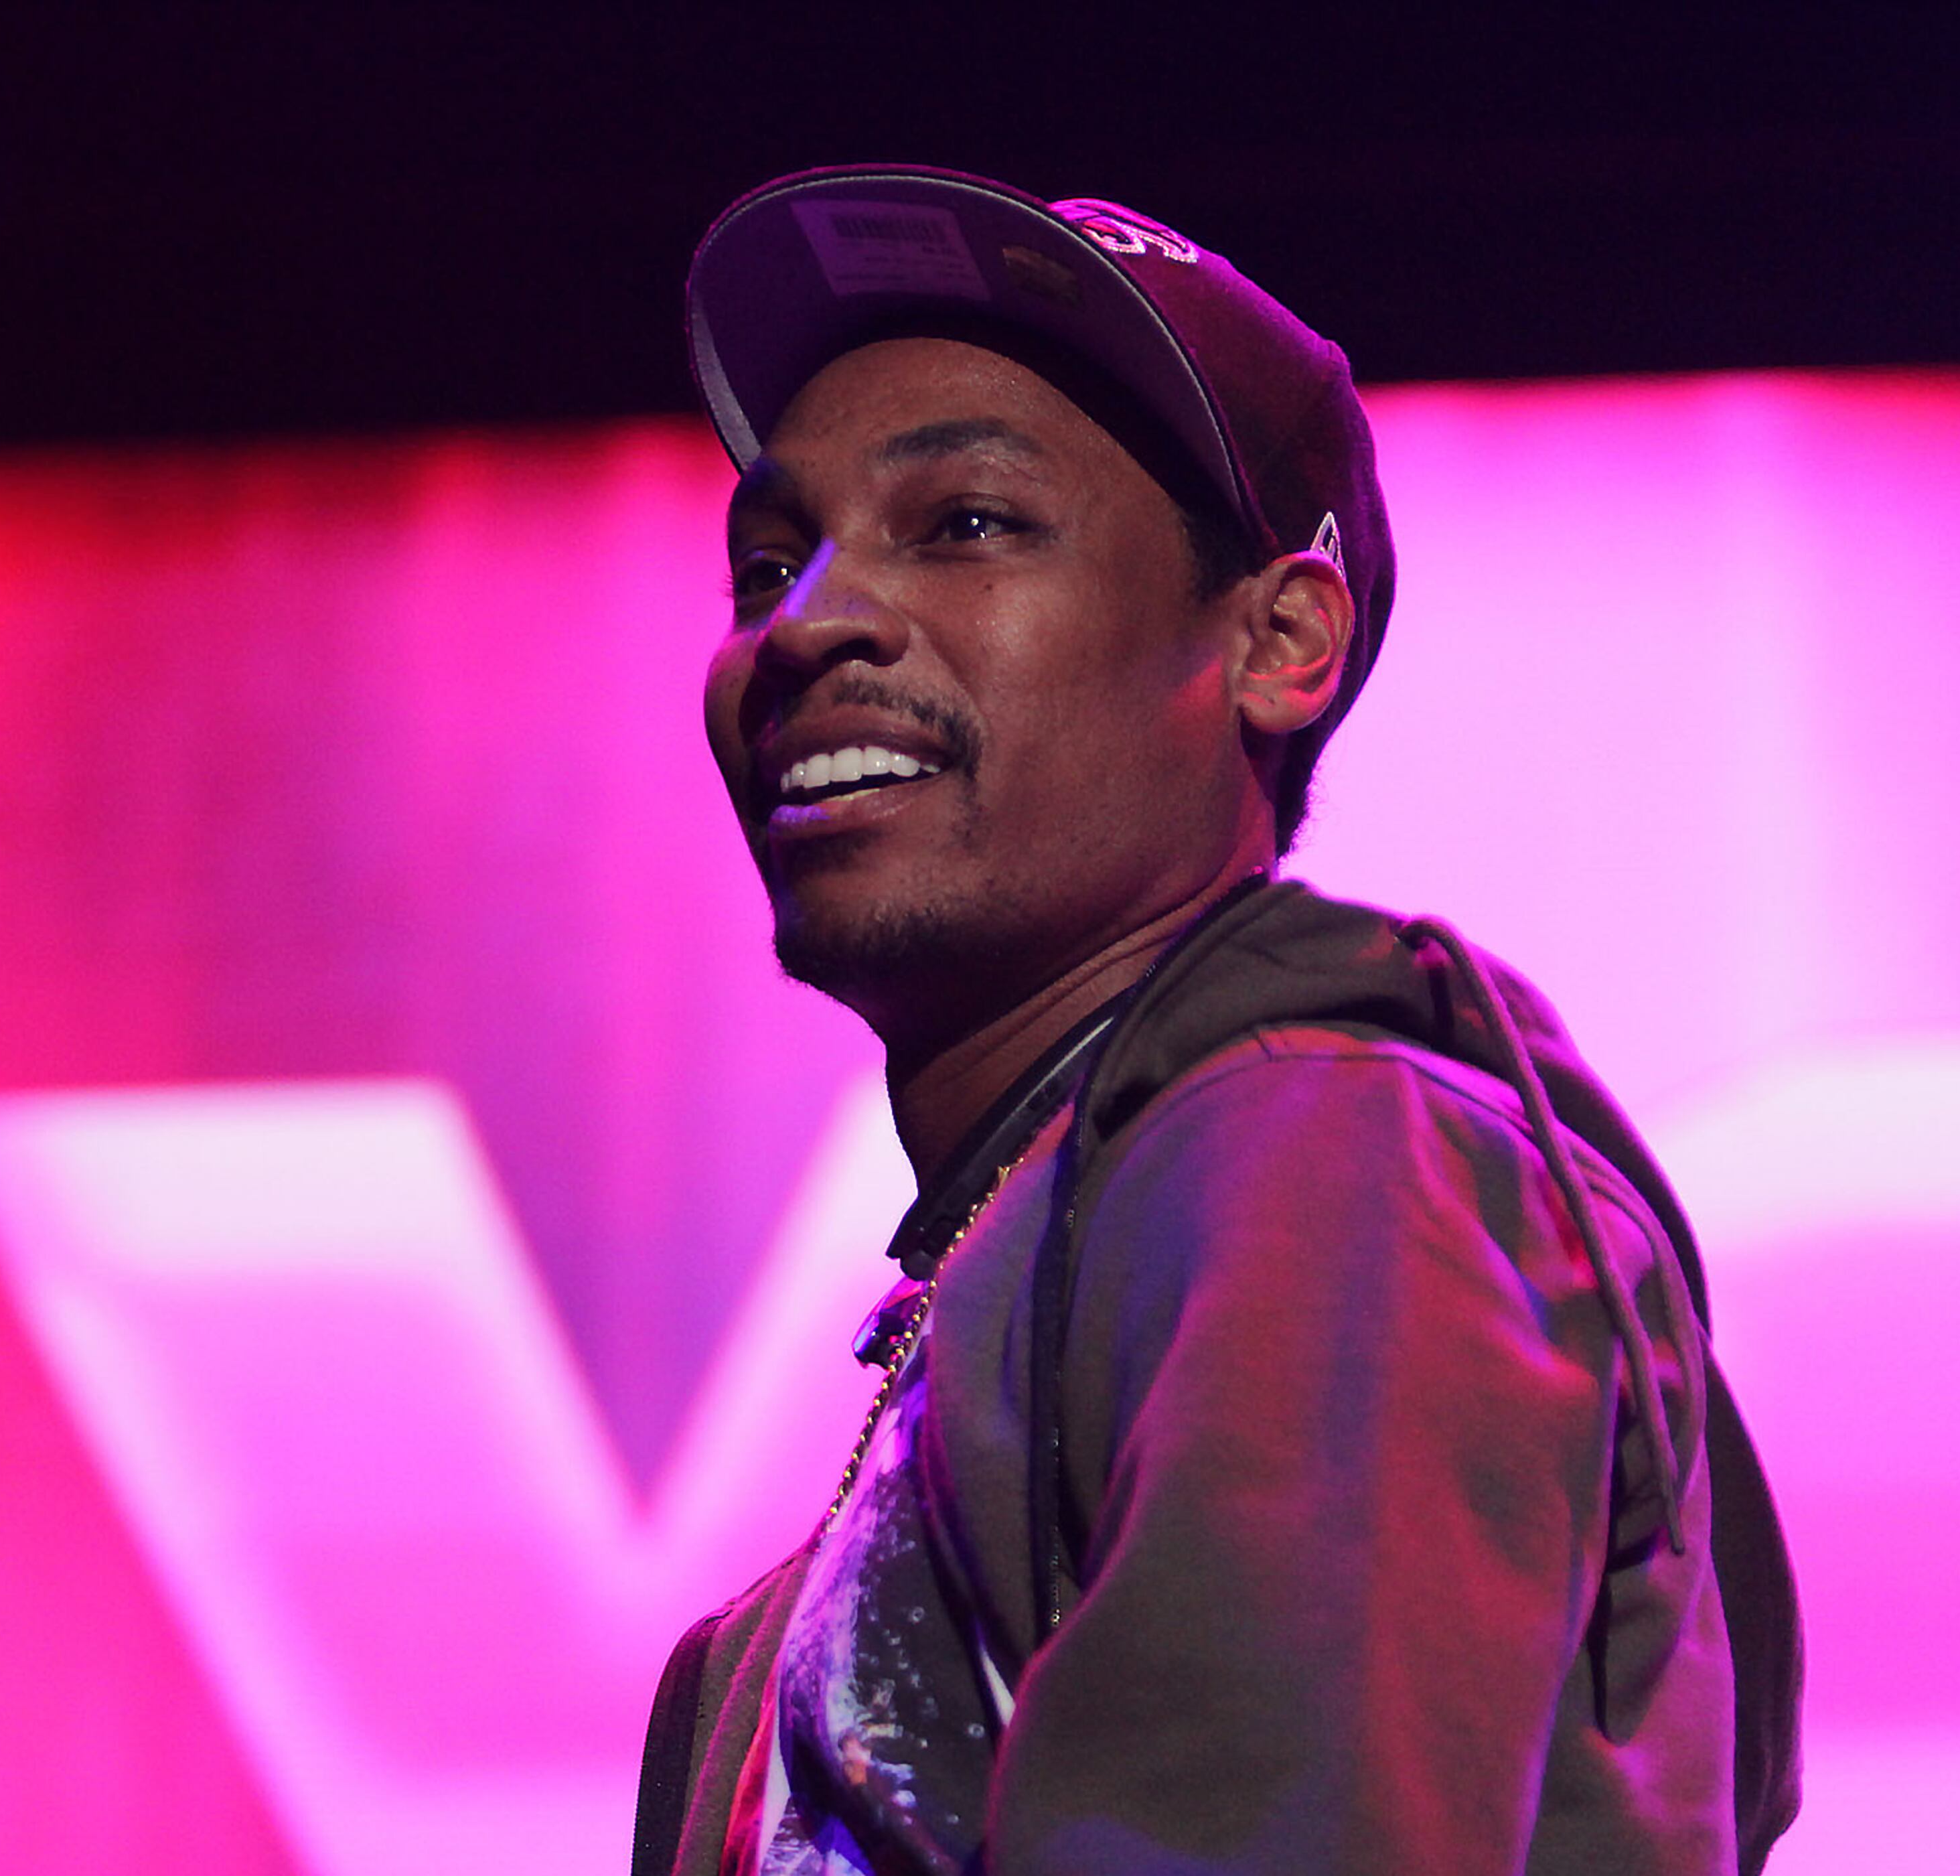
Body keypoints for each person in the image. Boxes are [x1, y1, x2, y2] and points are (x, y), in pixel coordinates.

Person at [635, 165, 1803, 1876]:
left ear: (1277, 643)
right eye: (765, 559)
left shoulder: (1319, 1161)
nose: (807, 625)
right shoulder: (777, 1625)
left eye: (964, 522)